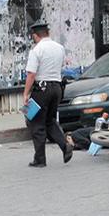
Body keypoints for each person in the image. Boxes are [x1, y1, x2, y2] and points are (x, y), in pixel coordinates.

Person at [23, 20, 73, 168]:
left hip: (41, 89)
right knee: (50, 120)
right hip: (57, 88)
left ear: (35, 36)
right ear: (48, 33)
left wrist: (26, 94)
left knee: (34, 121)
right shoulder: (59, 48)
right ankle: (65, 146)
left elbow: (31, 74)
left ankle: (40, 159)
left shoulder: (37, 50)